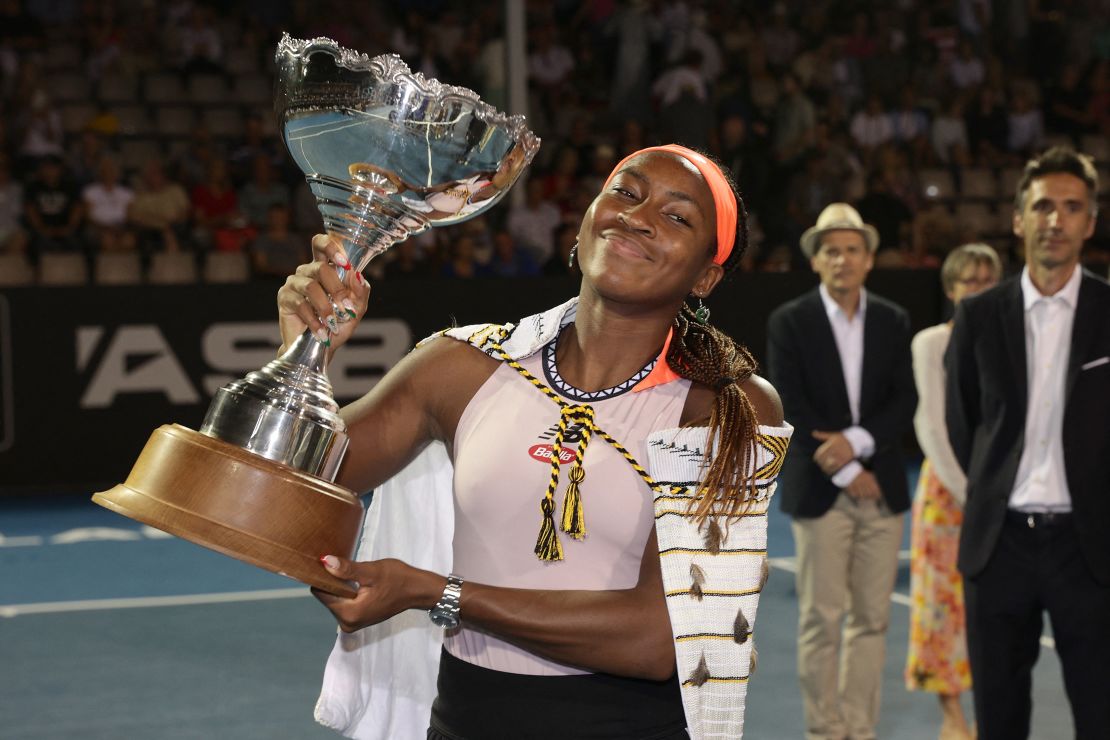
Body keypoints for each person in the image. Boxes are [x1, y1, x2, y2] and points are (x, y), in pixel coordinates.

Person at [277, 145, 793, 739]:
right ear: (586, 219)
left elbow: (660, 638)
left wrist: (436, 592)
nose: (638, 216)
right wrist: (305, 353)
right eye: (625, 192)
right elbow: (292, 486)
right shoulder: (460, 365)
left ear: (707, 275)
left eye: (677, 217)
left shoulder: (729, 406)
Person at [945, 146, 1110, 739]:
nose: (1056, 220)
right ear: (1019, 218)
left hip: (1090, 552)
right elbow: (965, 425)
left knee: (1100, 714)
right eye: (1043, 206)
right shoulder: (979, 316)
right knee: (1000, 718)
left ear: (1090, 222)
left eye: (1072, 208)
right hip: (1000, 547)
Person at [766, 202, 916, 740]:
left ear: (869, 259)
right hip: (821, 492)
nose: (843, 259)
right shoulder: (790, 321)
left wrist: (856, 444)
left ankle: (860, 728)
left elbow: (905, 399)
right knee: (822, 620)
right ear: (816, 260)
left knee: (872, 622)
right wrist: (848, 470)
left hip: (882, 489)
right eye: (832, 250)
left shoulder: (894, 321)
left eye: (853, 249)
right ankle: (825, 732)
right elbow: (788, 404)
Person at [904, 243, 1001, 740]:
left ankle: (990, 712)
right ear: (950, 288)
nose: (977, 289)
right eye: (968, 280)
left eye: (987, 280)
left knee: (996, 610)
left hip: (999, 496)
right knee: (940, 607)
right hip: (948, 495)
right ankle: (952, 717)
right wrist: (970, 494)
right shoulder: (930, 344)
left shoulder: (1010, 343)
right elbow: (933, 427)